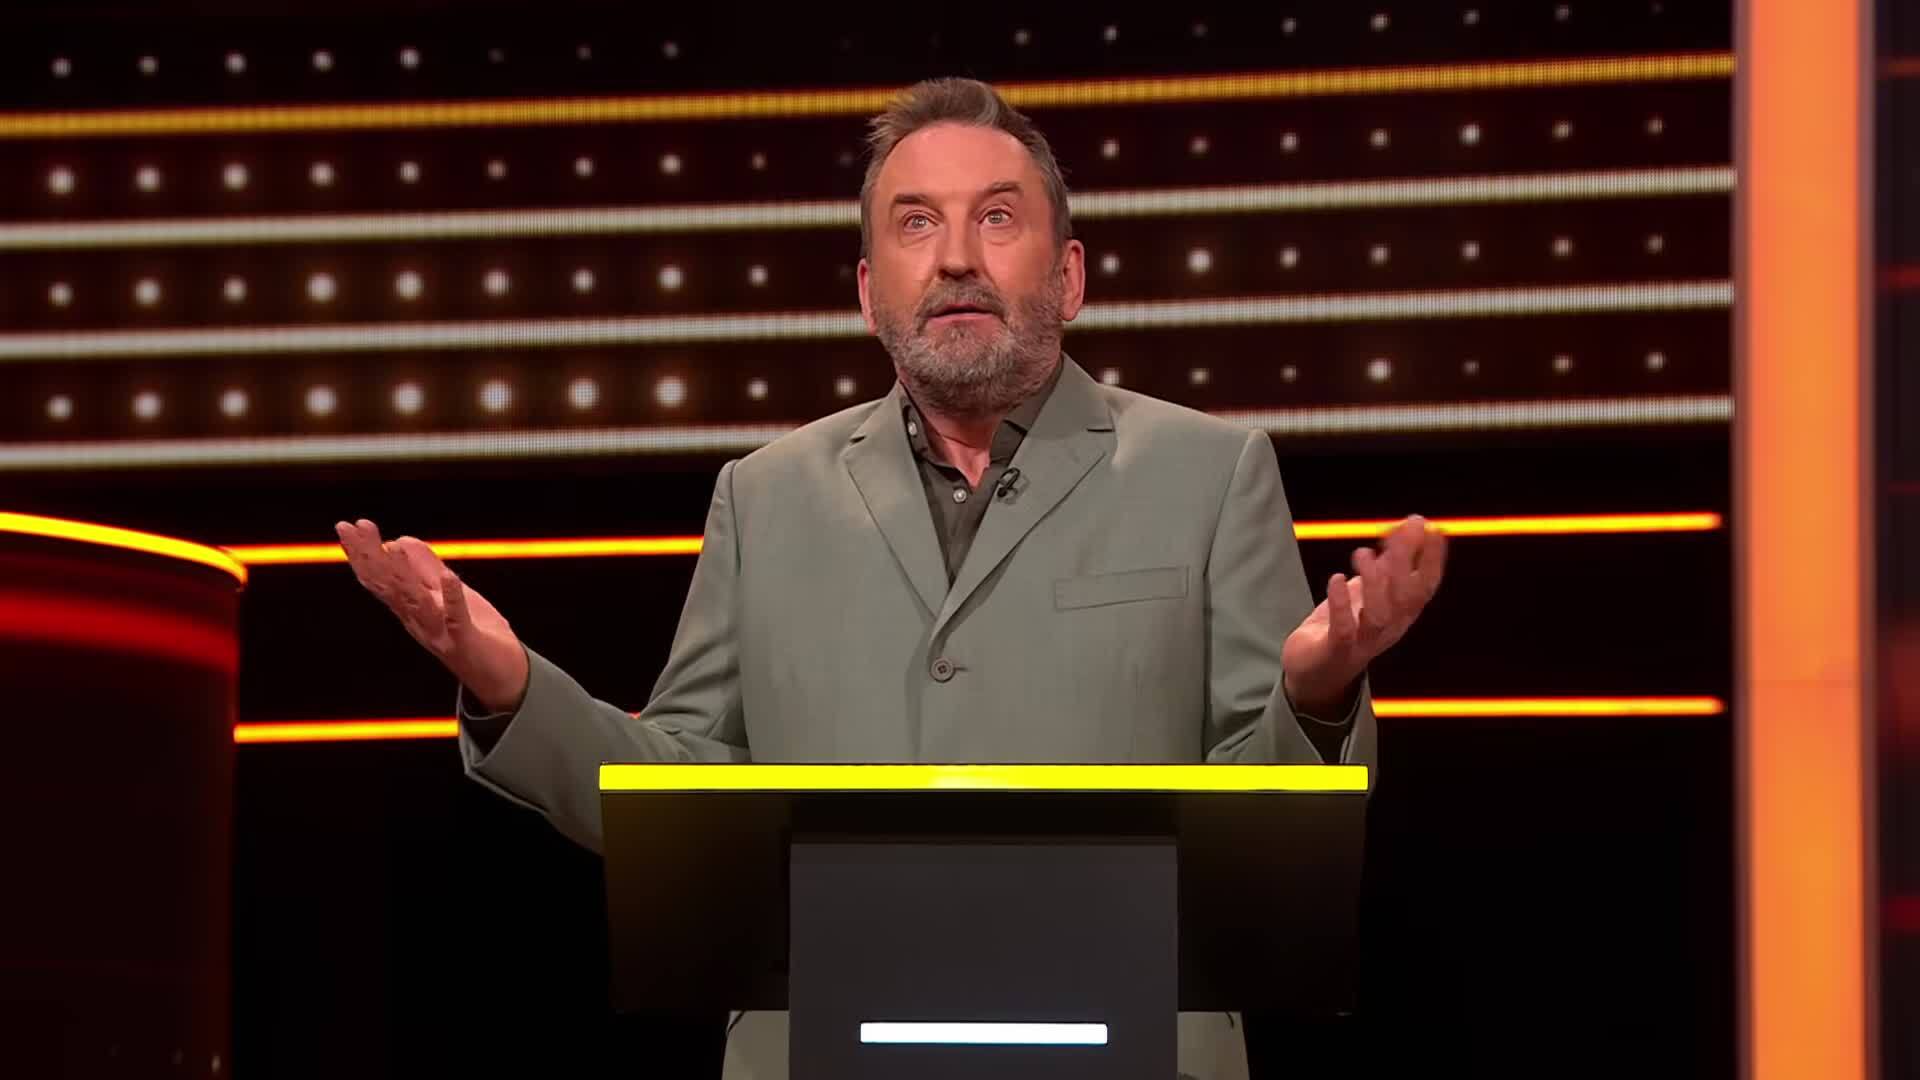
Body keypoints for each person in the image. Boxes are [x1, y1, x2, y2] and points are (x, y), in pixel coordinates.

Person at [336, 76, 1446, 1080]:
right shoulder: (763, 496)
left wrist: (1315, 693)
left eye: (996, 218)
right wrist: (508, 682)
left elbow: (1268, 839)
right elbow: (678, 796)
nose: (956, 257)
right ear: (870, 293)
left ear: (1069, 275)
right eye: (916, 223)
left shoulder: (1210, 474)